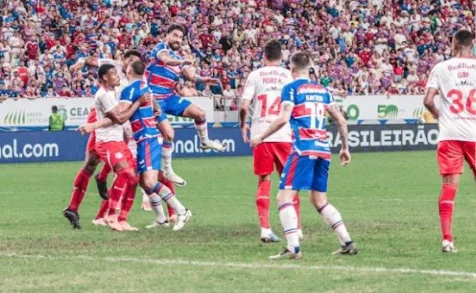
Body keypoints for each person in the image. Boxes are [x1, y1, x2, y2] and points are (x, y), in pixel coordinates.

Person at [257, 52, 356, 259]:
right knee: (319, 200)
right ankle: (347, 242)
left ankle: (293, 247)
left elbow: (284, 118)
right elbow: (341, 120)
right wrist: (345, 148)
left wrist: (261, 136)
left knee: (284, 197)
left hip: (303, 148)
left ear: (291, 69)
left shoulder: (291, 89)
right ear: (309, 67)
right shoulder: (323, 90)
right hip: (323, 149)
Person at [423, 29, 476, 252]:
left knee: (449, 186)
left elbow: (428, 100)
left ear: (453, 44)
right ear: (472, 45)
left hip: (450, 134)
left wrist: (442, 117)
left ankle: (447, 240)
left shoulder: (441, 68)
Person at [62, 50, 142, 229]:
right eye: (128, 60)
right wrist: (80, 61)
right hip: (106, 118)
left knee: (123, 167)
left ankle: (106, 204)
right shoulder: (114, 70)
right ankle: (77, 206)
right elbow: (92, 61)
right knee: (93, 163)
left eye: (134, 62)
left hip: (119, 122)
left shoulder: (136, 80)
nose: (129, 64)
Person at [147, 24, 226, 186]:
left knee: (200, 114)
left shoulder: (178, 56)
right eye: (175, 35)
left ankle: (204, 142)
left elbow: (189, 76)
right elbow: (165, 59)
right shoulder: (161, 48)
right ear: (167, 35)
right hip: (153, 99)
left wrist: (201, 79)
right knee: (168, 134)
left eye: (180, 38)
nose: (177, 40)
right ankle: (167, 170)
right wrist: (181, 60)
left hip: (169, 97)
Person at [119, 60, 192, 231]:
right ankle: (161, 218)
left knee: (150, 182)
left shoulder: (129, 90)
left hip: (147, 139)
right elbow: (154, 104)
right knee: (144, 182)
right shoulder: (145, 86)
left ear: (129, 70)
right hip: (145, 138)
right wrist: (156, 109)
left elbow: (120, 115)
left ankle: (182, 211)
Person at [239, 40, 298, 243]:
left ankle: (265, 228)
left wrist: (243, 125)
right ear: (281, 57)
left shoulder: (255, 75)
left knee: (264, 180)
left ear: (264, 56)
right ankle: (295, 228)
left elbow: (244, 106)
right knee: (290, 182)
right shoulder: (289, 75)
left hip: (260, 134)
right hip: (283, 134)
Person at [78, 64, 146, 231]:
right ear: (105, 78)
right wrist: (137, 103)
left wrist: (93, 125)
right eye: (114, 74)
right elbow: (120, 119)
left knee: (133, 178)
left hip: (119, 141)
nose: (117, 76)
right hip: (107, 142)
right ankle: (111, 215)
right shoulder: (103, 95)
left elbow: (115, 119)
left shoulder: (114, 92)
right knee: (124, 172)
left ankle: (122, 219)